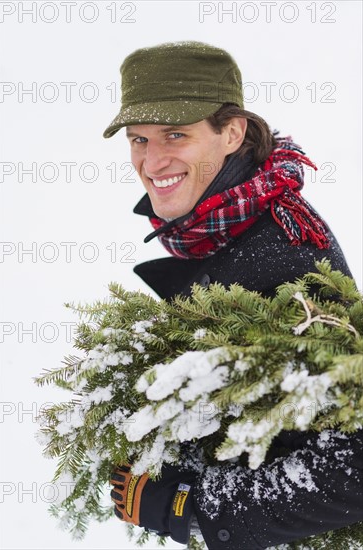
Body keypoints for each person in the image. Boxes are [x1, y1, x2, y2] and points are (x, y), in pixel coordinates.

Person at [103, 42, 363, 549]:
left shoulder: (283, 255)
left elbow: (353, 460)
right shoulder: (224, 226)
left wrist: (192, 508)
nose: (152, 161)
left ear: (232, 133)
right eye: (138, 139)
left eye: (175, 134)